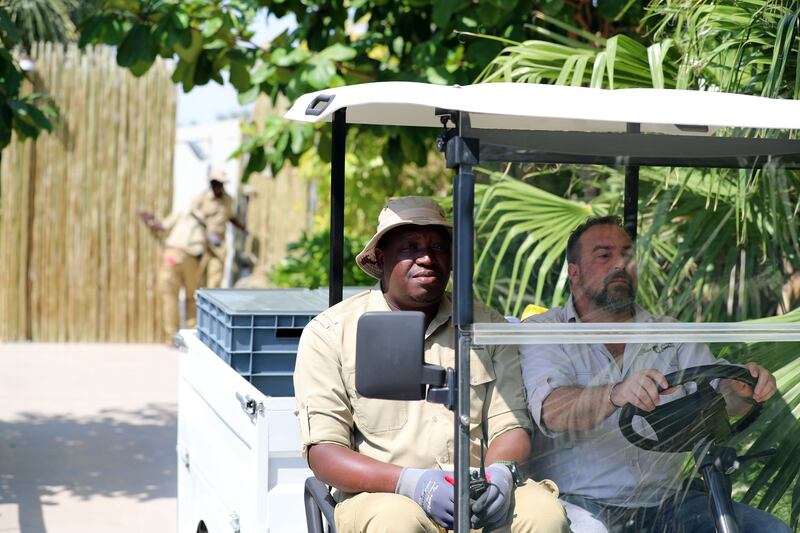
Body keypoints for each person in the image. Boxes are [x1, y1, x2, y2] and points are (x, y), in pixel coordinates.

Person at [293, 197, 569, 533]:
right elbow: (324, 454)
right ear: (381, 259)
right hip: (385, 494)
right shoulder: (331, 333)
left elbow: (509, 427)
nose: (426, 257)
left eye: (438, 246)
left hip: (477, 493)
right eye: (410, 247)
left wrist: (499, 475)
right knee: (398, 523)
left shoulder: (484, 327)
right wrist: (412, 483)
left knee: (543, 514)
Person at [520, 215, 788, 533]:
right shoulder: (544, 332)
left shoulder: (669, 331)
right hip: (578, 502)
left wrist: (740, 389)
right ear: (574, 272)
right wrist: (614, 393)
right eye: (605, 255)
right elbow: (551, 411)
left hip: (669, 504)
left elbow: (720, 400)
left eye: (628, 255)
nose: (620, 263)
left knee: (771, 530)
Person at [139, 208, 207, 346]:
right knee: (192, 297)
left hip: (172, 255)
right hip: (190, 257)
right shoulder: (206, 220)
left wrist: (149, 220)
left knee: (170, 297)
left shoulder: (181, 213)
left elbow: (160, 226)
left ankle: (172, 337)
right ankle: (191, 334)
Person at [190, 168, 246, 288]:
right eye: (216, 184)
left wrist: (242, 227)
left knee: (215, 279)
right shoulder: (201, 199)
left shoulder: (228, 200)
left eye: (221, 184)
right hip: (202, 243)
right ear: (211, 184)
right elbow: (192, 214)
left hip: (218, 245)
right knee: (199, 278)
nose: (218, 187)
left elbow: (230, 217)